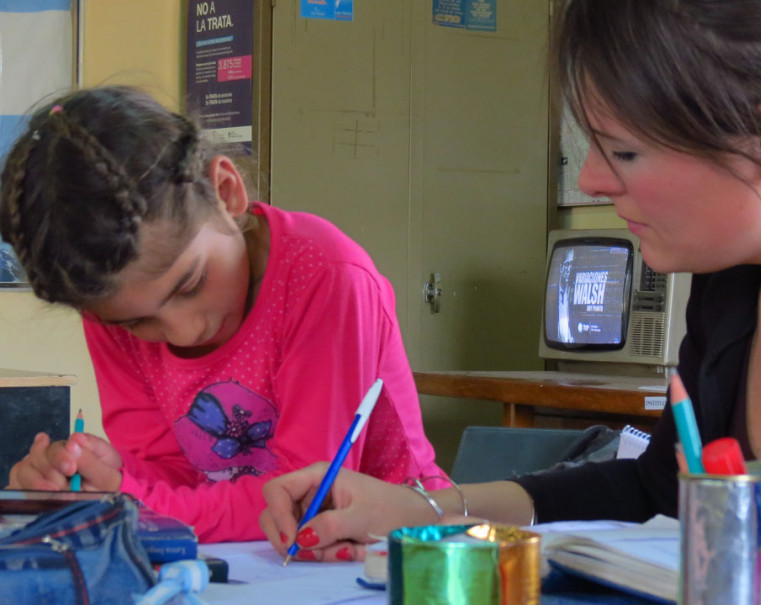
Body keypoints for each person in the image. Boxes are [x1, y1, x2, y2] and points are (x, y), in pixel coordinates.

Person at [258, 0, 761, 582]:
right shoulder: (733, 275)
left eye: (623, 152)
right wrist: (422, 507)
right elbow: (657, 490)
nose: (588, 179)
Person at [0, 86, 449, 545]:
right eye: (137, 324)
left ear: (226, 192)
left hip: (402, 550)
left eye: (190, 284)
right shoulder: (109, 309)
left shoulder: (326, 275)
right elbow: (172, 474)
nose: (185, 330)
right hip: (249, 559)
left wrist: (129, 502)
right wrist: (103, 480)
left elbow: (306, 497)